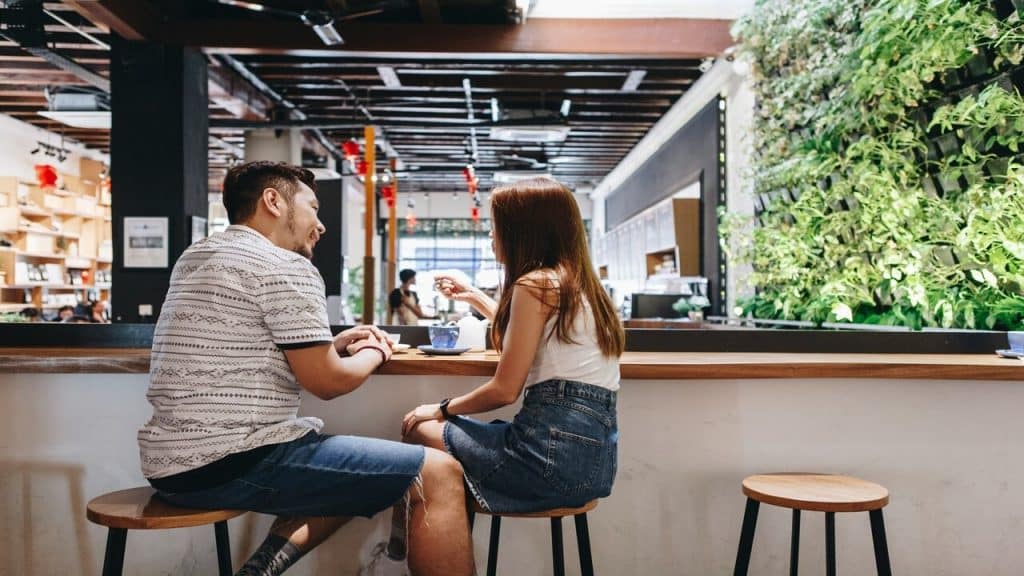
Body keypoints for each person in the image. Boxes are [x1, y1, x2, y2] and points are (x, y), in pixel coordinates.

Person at [137, 161, 474, 576]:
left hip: (169, 466)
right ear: (273, 201)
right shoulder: (284, 266)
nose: (321, 225)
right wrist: (376, 350)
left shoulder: (197, 256)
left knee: (353, 473)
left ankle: (259, 570)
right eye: (313, 208)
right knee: (439, 472)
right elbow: (327, 382)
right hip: (233, 460)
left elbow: (246, 347)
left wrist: (329, 345)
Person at [364, 177, 624, 573]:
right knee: (447, 463)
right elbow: (522, 337)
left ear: (523, 231)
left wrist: (442, 408)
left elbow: (504, 390)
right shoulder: (583, 287)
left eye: (495, 225)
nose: (490, 235)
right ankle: (420, 543)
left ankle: (408, 550)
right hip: (593, 467)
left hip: (544, 460)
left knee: (420, 429)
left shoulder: (534, 284)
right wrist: (474, 298)